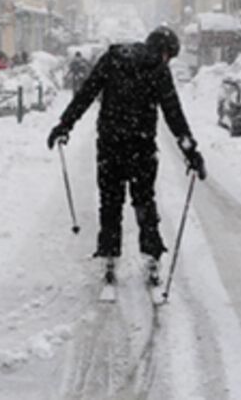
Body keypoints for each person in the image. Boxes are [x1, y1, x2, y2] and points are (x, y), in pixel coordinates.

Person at [46, 27, 206, 287]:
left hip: (110, 145)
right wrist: (189, 150)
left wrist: (65, 124)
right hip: (141, 147)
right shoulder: (158, 68)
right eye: (170, 56)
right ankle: (152, 256)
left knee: (110, 202)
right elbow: (173, 113)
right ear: (164, 51)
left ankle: (109, 256)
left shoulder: (112, 58)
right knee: (144, 202)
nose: (168, 61)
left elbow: (86, 93)